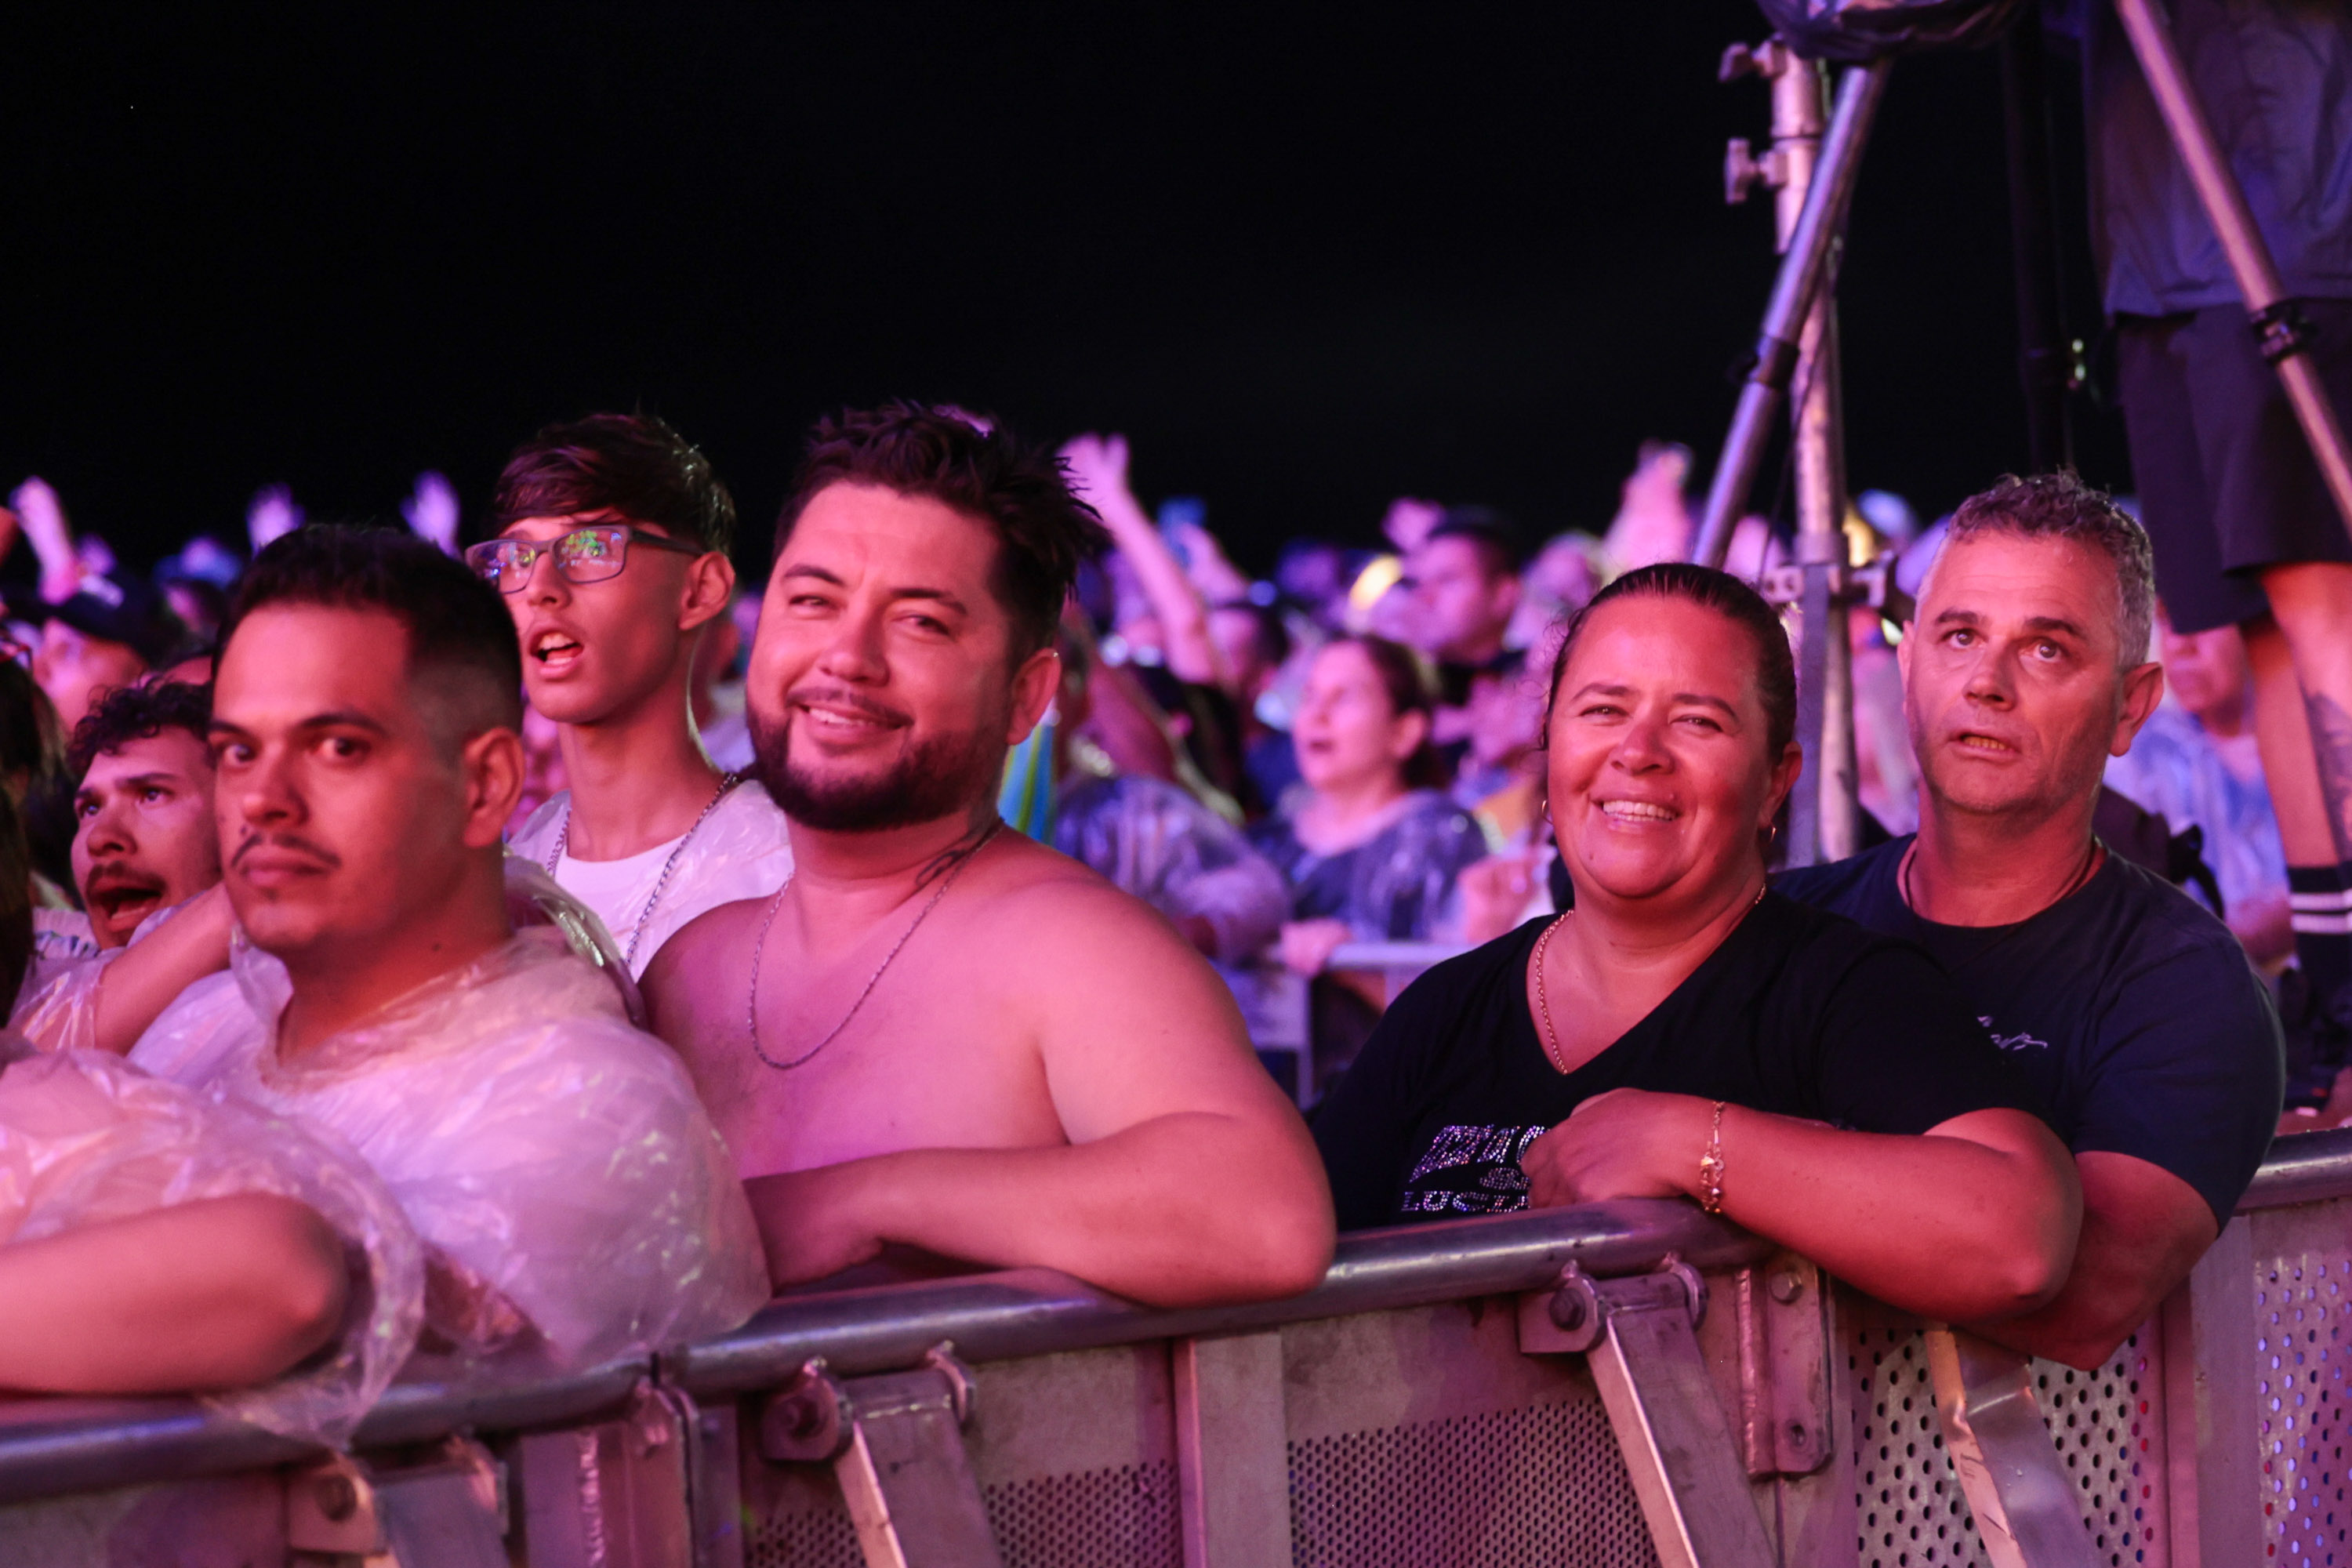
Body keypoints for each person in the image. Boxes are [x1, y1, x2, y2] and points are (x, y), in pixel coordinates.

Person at [642, 402, 1334, 1309]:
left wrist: (865, 1199)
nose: (847, 656)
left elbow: (1263, 1216)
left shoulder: (1069, 946)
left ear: (1025, 694)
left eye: (922, 622)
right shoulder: (692, 962)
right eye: (813, 600)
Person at [1312, 564, 2081, 1328]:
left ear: (1776, 782)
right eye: (1603, 710)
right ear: (1549, 750)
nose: (1638, 751)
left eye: (1698, 721)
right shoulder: (1448, 1009)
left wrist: (1689, 1143)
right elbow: (1299, 1238)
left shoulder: (1838, 989)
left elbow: (2023, 1239)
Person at [129, 525, 765, 1369]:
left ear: (487, 785)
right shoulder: (193, 1033)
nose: (264, 799)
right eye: (240, 751)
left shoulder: (589, 1113)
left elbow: (333, 1351)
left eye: (337, 747)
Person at [1780, 474, 2282, 1370]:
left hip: (2052, 1501)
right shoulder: (1790, 923)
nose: (1986, 680)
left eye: (2046, 649)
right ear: (1907, 669)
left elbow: (2075, 1293)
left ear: (2131, 705)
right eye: (1960, 634)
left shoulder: (2186, 982)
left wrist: (1706, 1160)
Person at [2073, 0, 2352, 1082]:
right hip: (2154, 252)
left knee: (2323, 609)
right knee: (2260, 630)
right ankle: (2333, 988)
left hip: (2290, 221)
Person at [485, 415, 793, 978]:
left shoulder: (780, 869)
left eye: (590, 547)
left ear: (701, 590)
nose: (540, 590)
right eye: (517, 557)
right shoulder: (512, 869)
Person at [12, 682, 238, 1056]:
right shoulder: (42, 972)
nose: (101, 837)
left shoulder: (282, 1010)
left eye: (152, 794)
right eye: (90, 809)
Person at [1247, 635, 1488, 978]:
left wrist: (1351, 961)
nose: (1317, 715)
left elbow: (1459, 989)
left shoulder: (1439, 835)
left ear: (1404, 732)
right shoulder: (1264, 843)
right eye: (1309, 696)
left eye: (1344, 697)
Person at [2103, 604, 2292, 966]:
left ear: (2263, 626)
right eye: (2165, 621)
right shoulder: (2132, 755)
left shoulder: (2327, 748)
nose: (2179, 645)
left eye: (2200, 618)